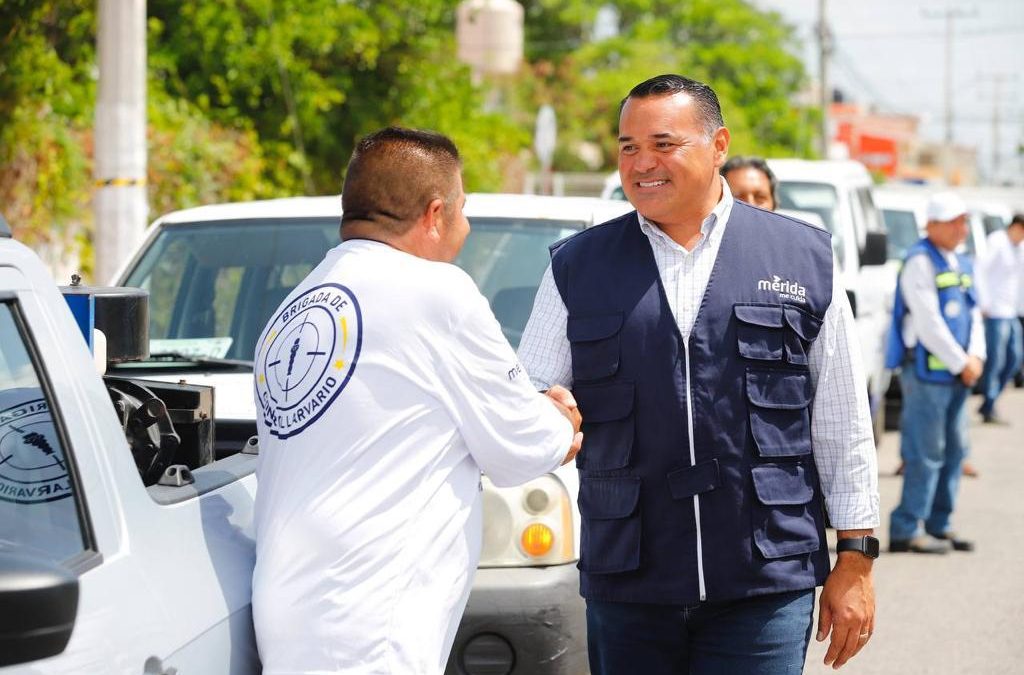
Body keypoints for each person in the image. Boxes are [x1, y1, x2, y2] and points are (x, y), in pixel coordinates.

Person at [519, 74, 879, 674]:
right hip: (630, 580)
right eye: (628, 147)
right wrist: (545, 415)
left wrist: (856, 559)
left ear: (718, 146)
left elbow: (843, 424)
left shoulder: (803, 259)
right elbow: (532, 394)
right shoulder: (578, 267)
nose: (642, 163)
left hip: (764, 581)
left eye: (664, 144)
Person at [250, 127, 583, 674]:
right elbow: (521, 448)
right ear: (434, 213)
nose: (467, 227)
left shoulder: (300, 300)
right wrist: (557, 415)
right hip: (374, 619)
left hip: (294, 604)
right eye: (463, 209)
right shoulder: (435, 291)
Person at [884, 191, 985, 555]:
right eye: (956, 221)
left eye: (964, 221)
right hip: (927, 375)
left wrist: (976, 356)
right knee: (925, 452)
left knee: (956, 450)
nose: (963, 228)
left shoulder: (961, 262)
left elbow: (974, 313)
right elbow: (928, 323)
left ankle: (940, 524)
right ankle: (906, 527)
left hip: (959, 375)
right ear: (933, 225)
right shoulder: (919, 261)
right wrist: (964, 363)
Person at [974, 214, 1024, 423]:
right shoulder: (997, 241)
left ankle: (990, 400)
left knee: (1014, 358)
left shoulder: (1020, 248)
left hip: (1011, 311)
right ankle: (989, 403)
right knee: (996, 361)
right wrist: (983, 302)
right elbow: (980, 270)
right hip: (995, 311)